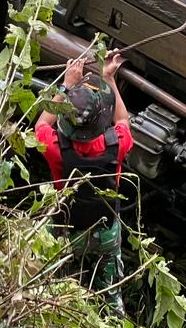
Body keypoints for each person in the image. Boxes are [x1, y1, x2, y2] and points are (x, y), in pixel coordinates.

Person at [35, 51, 132, 312]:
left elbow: (42, 123)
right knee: (111, 288)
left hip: (66, 232)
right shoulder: (117, 143)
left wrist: (66, 85)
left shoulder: (55, 148)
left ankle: (53, 300)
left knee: (48, 280)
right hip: (105, 231)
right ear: (101, 120)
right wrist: (109, 79)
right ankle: (114, 309)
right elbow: (123, 119)